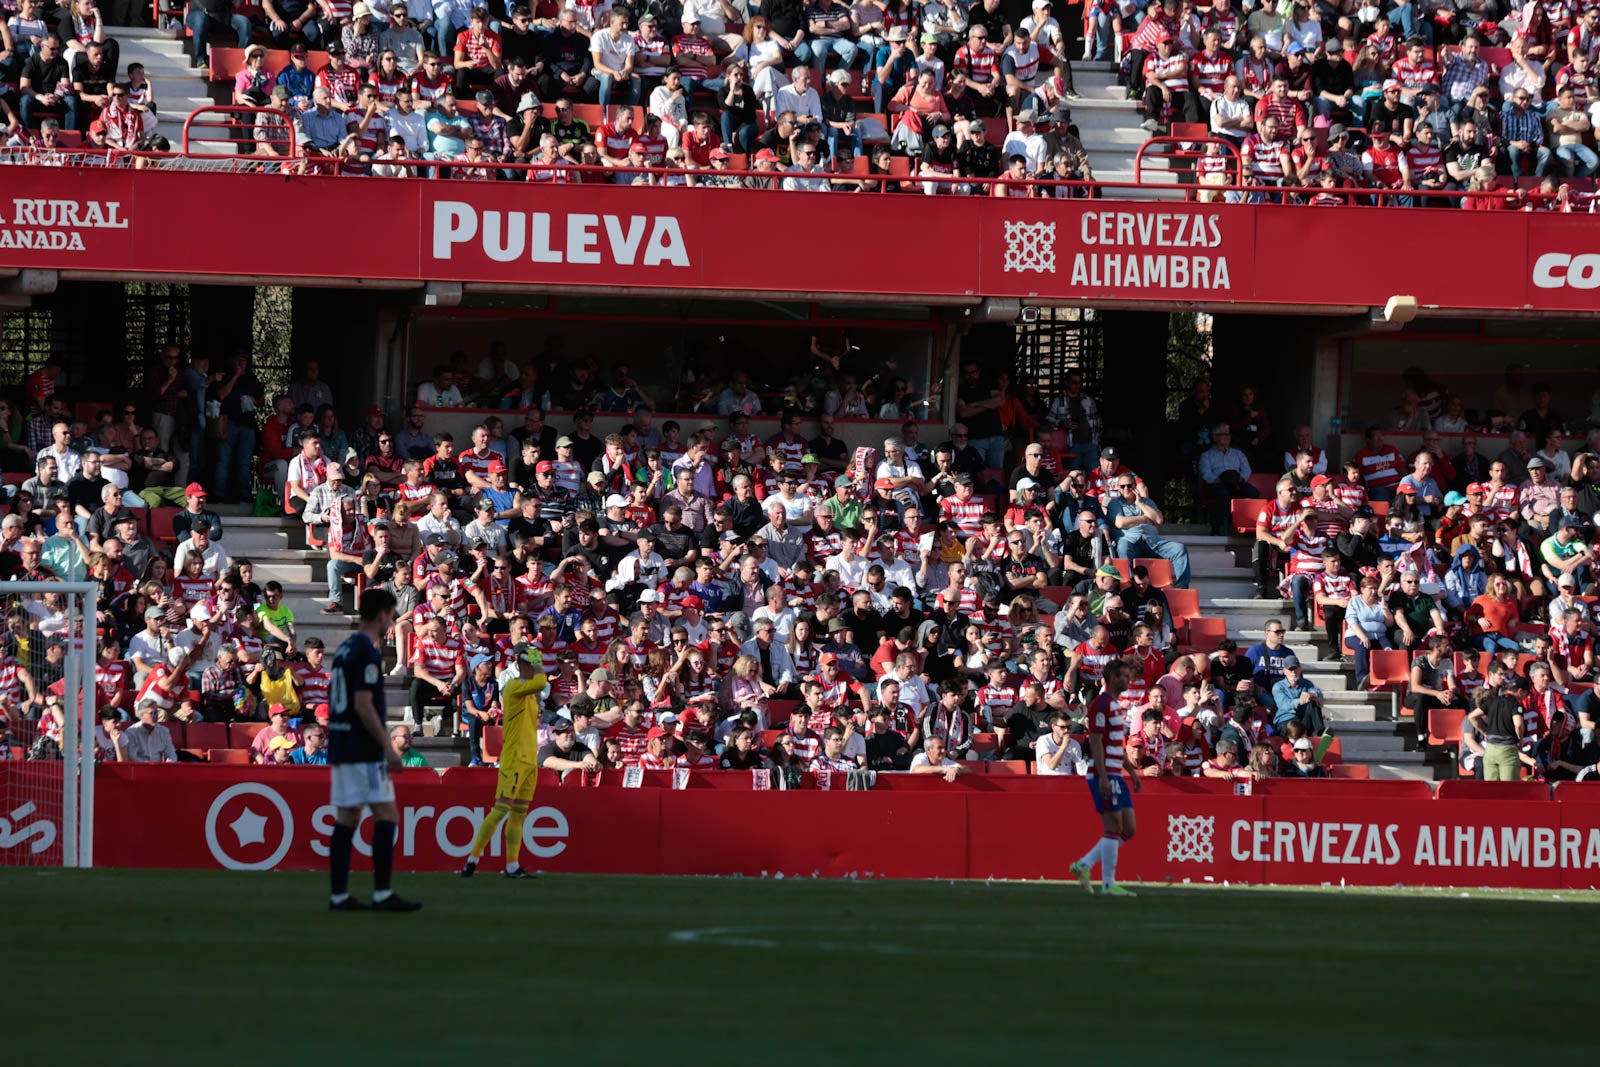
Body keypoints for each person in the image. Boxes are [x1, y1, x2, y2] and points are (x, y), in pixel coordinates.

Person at [327, 588, 421, 912]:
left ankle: (339, 895)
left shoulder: (344, 650)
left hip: (341, 743)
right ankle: (382, 893)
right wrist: (388, 748)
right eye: (392, 615)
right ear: (381, 615)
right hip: (361, 746)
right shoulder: (366, 651)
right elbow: (363, 705)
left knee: (348, 817)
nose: (393, 622)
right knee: (386, 814)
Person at [461, 643, 548, 879]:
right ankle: (472, 859)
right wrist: (535, 653)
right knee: (500, 809)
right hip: (514, 759)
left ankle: (512, 865)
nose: (534, 669)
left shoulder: (529, 693)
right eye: (530, 665)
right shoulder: (512, 686)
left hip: (530, 758)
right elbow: (542, 681)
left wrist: (532, 652)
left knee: (519, 813)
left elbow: (541, 687)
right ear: (521, 666)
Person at [1067, 658, 1136, 896]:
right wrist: (1104, 777)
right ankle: (1108, 883)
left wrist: (1132, 772)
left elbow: (1115, 742)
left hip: (1117, 772)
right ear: (1113, 678)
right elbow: (1095, 740)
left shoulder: (1116, 705)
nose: (1128, 680)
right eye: (1125, 676)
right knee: (1114, 827)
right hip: (1104, 774)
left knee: (1129, 828)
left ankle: (1084, 864)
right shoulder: (1101, 704)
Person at [1467, 660, 1523, 781]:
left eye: (1505, 675)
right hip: (1486, 742)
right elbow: (1473, 717)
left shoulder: (1504, 693)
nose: (1504, 678)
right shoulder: (1480, 694)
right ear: (1491, 674)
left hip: (1501, 739)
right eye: (1501, 674)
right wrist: (1485, 732)